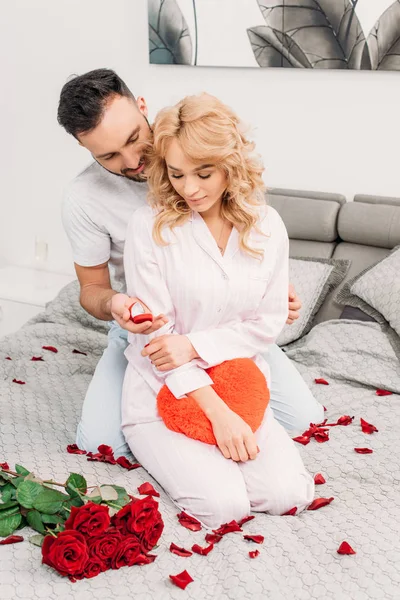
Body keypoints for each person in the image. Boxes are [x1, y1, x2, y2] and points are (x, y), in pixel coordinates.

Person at [57, 69, 323, 457]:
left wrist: (264, 290)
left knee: (304, 421)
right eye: (109, 156)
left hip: (223, 321)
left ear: (142, 107)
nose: (134, 161)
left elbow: (246, 226)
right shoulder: (82, 198)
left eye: (134, 138)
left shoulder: (193, 139)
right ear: (85, 148)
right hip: (150, 330)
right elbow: (91, 289)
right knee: (101, 443)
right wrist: (114, 304)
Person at [121, 93, 314, 528]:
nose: (189, 188)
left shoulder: (267, 225)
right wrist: (219, 415)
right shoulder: (148, 227)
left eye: (203, 173)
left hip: (240, 383)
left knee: (289, 494)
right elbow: (158, 343)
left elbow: (265, 324)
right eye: (177, 174)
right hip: (164, 390)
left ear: (230, 164)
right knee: (222, 506)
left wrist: (192, 344)